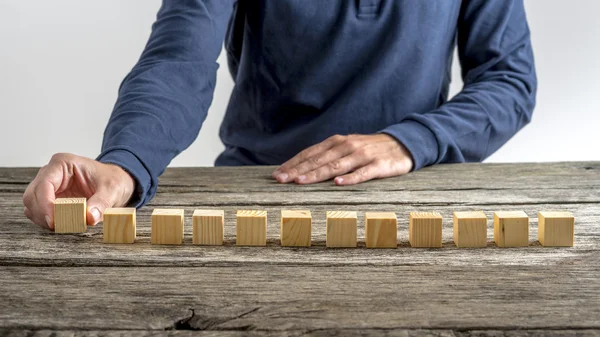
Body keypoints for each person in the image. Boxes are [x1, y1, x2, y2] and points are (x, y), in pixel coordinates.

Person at [23, 0, 537, 230]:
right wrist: (125, 163)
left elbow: (509, 82)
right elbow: (180, 57)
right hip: (262, 194)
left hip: (420, 200)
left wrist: (409, 141)